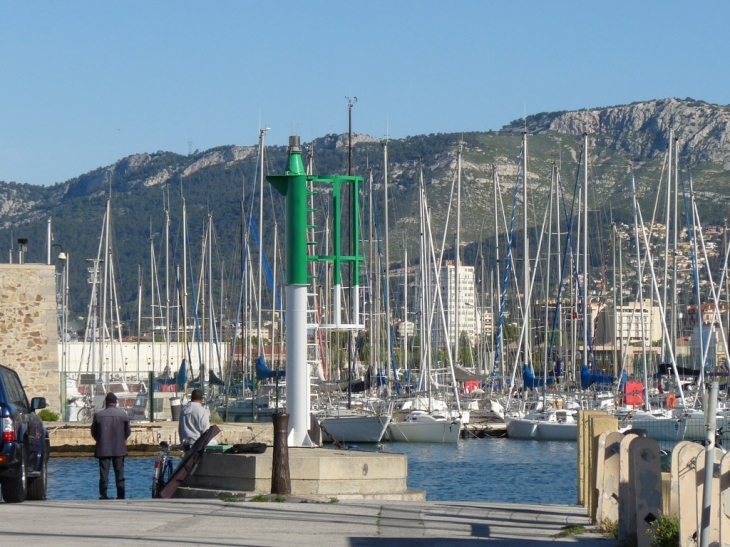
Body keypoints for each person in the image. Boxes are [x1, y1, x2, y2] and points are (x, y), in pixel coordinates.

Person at [90, 392, 131, 500]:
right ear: (116, 402)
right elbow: (128, 432)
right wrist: (122, 439)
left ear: (106, 403)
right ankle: (121, 495)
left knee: (104, 474)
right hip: (119, 448)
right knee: (120, 474)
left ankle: (103, 495)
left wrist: (100, 440)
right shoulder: (123, 415)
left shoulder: (98, 416)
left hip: (103, 449)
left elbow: (94, 432)